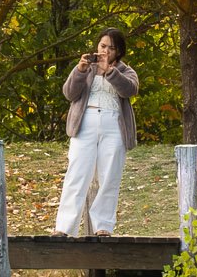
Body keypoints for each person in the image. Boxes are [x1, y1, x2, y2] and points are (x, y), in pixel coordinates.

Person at [54, 25, 138, 238]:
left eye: (111, 48)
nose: (105, 51)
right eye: (102, 46)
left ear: (118, 51)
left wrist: (110, 71)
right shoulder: (86, 68)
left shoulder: (125, 71)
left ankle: (103, 226)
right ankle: (64, 227)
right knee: (77, 173)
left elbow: (130, 89)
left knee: (109, 176)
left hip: (114, 125)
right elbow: (69, 94)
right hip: (85, 123)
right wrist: (80, 71)